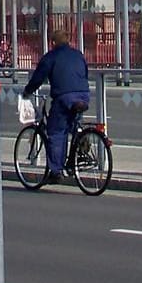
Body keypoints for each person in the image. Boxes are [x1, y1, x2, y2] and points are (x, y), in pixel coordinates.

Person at [21, 29, 91, 185]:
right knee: (72, 123)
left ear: (53, 42)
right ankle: (81, 139)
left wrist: (28, 91)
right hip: (83, 95)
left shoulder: (51, 57)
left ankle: (56, 171)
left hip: (64, 97)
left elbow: (38, 78)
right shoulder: (78, 54)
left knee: (56, 132)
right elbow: (85, 73)